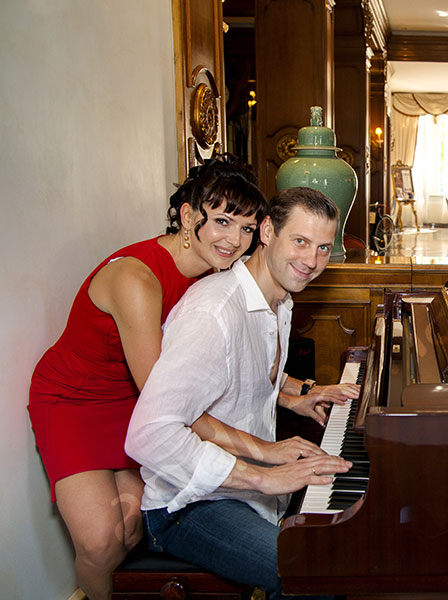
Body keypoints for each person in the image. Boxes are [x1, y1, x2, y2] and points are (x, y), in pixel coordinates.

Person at [28, 156, 269, 600]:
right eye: (221, 222)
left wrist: (296, 392)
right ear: (188, 216)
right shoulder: (137, 279)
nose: (235, 240)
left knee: (133, 522)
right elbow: (165, 402)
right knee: (101, 540)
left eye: (247, 228)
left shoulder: (213, 276)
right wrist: (261, 454)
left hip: (134, 397)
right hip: (75, 400)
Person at [125, 187, 359, 600]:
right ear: (268, 231)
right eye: (300, 242)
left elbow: (243, 377)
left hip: (245, 491)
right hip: (189, 506)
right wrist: (262, 475)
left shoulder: (279, 300)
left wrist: (295, 396)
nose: (311, 261)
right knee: (312, 573)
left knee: (344, 545)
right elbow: (150, 433)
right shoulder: (213, 313)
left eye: (323, 248)